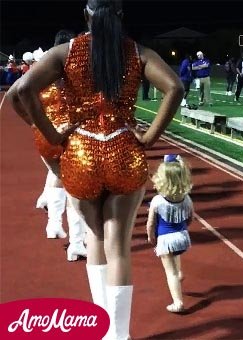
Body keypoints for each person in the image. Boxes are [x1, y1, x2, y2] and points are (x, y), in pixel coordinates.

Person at [13, 1, 184, 338]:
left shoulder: (66, 51)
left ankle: (103, 329)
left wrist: (50, 134)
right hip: (124, 150)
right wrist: (148, 138)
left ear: (86, 14)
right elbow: (175, 88)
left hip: (81, 153)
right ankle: (120, 334)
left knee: (95, 238)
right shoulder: (136, 52)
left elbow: (23, 90)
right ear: (120, 15)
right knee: (118, 247)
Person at [8, 29, 89, 262]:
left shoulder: (39, 71)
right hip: (67, 134)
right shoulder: (71, 72)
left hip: (44, 133)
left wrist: (34, 123)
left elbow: (14, 95)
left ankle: (53, 224)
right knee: (75, 187)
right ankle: (76, 242)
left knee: (56, 175)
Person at [147, 154, 193, 313]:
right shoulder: (186, 199)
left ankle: (178, 302)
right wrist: (185, 228)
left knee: (170, 272)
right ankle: (180, 273)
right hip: (182, 236)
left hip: (166, 239)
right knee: (176, 255)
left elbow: (151, 223)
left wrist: (150, 236)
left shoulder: (157, 201)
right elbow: (190, 217)